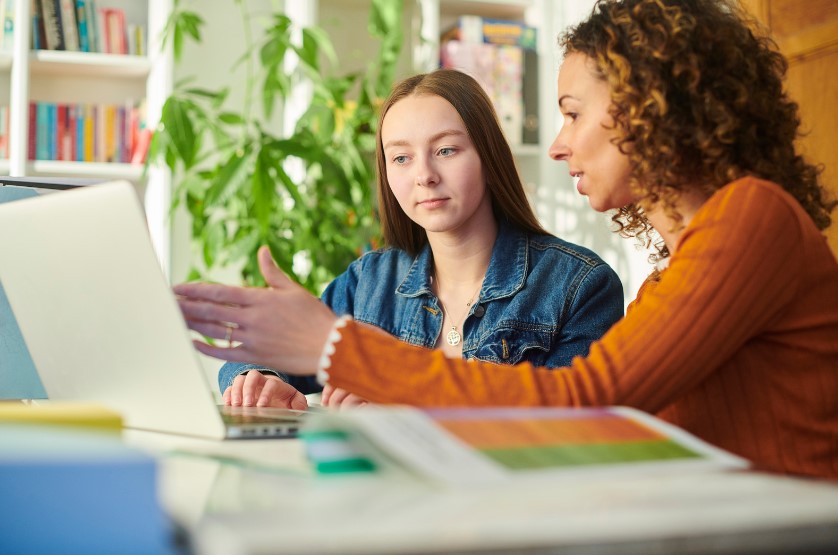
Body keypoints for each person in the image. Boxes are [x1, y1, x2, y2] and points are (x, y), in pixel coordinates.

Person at [175, 0, 838, 479]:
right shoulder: (675, 270)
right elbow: (620, 438)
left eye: (573, 113)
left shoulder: (753, 216)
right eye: (399, 157)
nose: (557, 144)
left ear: (652, 104)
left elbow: (582, 405)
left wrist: (336, 348)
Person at [215, 68, 624, 410]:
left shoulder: (578, 286)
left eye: (445, 150)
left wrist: (405, 406)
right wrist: (259, 379)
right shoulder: (368, 283)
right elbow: (262, 354)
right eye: (401, 157)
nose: (424, 175)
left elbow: (569, 427)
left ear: (488, 155)